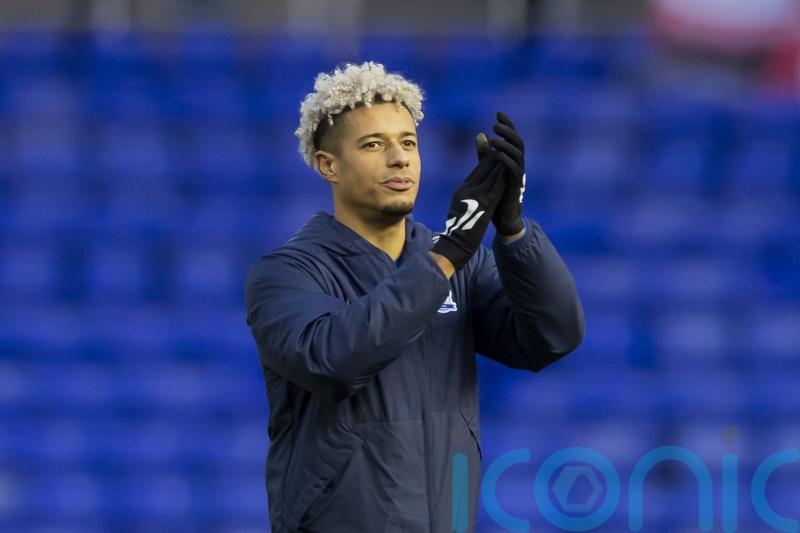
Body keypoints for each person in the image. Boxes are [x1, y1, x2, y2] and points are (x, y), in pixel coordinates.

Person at [244, 62, 584, 533]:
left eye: (408, 142)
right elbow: (333, 360)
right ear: (328, 165)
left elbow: (552, 336)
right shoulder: (288, 273)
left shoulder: (455, 261)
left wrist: (513, 230)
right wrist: (446, 257)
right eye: (373, 145)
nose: (399, 158)